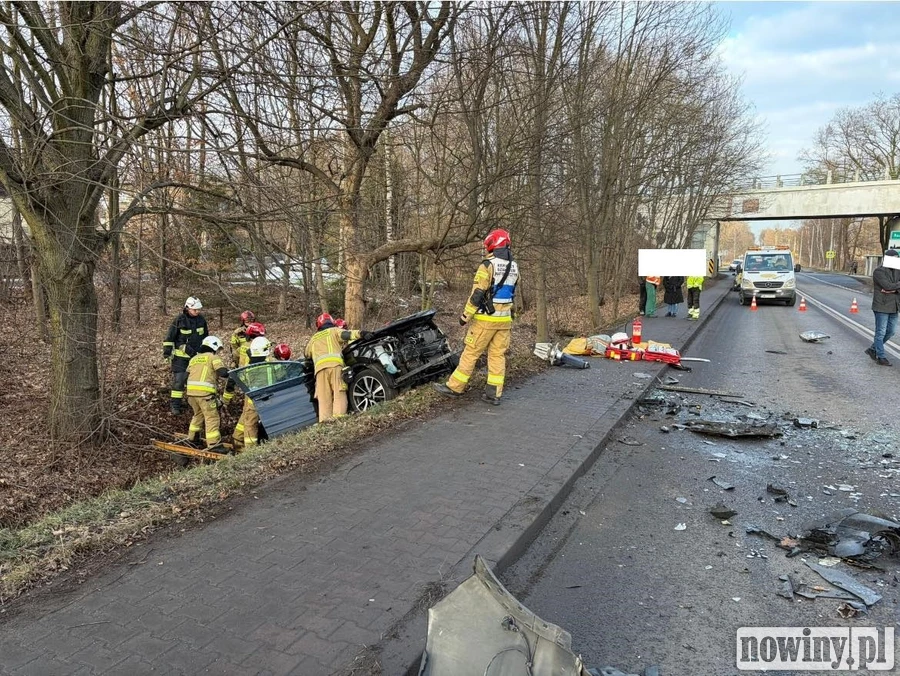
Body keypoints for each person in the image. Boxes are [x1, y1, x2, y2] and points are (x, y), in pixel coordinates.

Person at [434, 228, 520, 405]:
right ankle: (493, 394)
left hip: (486, 320)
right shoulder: (514, 266)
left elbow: (477, 294)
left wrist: (465, 316)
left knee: (471, 353)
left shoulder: (487, 265)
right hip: (505, 320)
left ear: (492, 244)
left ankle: (454, 387)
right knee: (497, 356)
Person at [305, 313, 372, 422]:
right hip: (335, 367)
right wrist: (362, 333)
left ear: (318, 325)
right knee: (339, 392)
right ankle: (339, 420)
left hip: (319, 372)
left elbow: (306, 354)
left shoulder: (313, 339)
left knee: (323, 398)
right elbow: (347, 335)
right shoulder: (334, 331)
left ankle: (326, 423)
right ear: (331, 322)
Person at [184, 335, 234, 451]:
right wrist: (232, 373)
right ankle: (214, 445)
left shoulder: (194, 359)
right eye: (218, 349)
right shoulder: (212, 357)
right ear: (214, 346)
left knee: (198, 415)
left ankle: (192, 439)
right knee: (212, 418)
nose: (218, 352)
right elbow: (222, 373)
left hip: (191, 394)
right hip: (205, 395)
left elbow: (185, 376)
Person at [162, 296, 209, 414]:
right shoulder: (179, 320)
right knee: (179, 381)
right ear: (187, 308)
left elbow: (206, 337)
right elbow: (169, 337)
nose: (197, 312)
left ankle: (193, 404)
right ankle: (175, 405)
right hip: (180, 359)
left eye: (198, 310)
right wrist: (167, 353)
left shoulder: (201, 320)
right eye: (195, 310)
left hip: (197, 357)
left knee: (196, 382)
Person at [233, 336, 274, 450]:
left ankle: (247, 446)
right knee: (250, 423)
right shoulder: (271, 363)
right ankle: (249, 448)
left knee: (250, 424)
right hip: (270, 400)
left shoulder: (248, 368)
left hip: (253, 402)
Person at [865, 249, 900, 366]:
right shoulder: (879, 272)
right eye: (894, 258)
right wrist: (892, 288)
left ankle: (872, 349)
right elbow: (887, 286)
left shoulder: (898, 271)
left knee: (891, 331)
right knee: (880, 332)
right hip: (881, 306)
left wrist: (892, 289)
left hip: (894, 306)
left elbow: (890, 288)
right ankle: (881, 356)